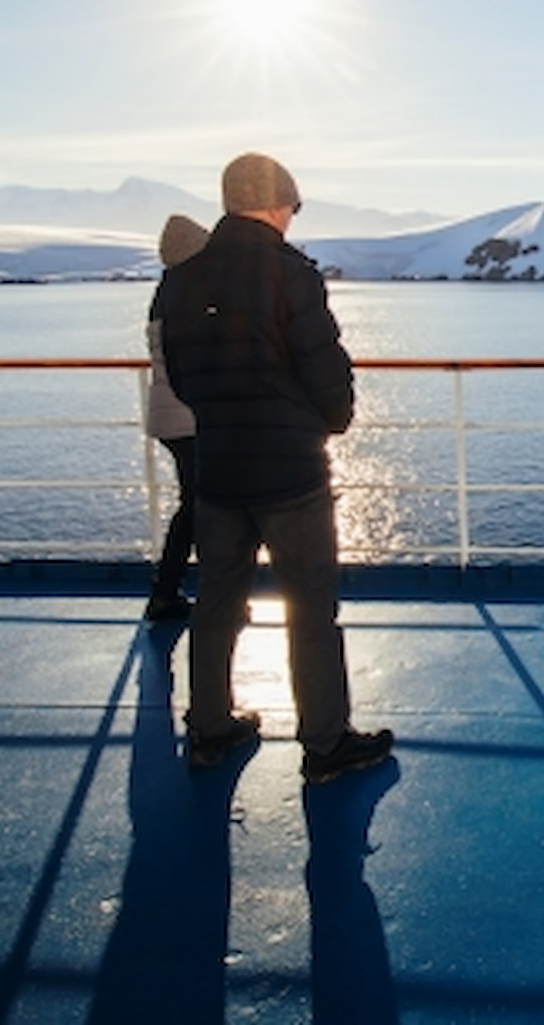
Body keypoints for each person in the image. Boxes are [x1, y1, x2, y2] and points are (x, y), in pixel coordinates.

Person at [151, 152, 393, 784]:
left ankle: (208, 728)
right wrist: (329, 420)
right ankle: (326, 743)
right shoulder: (291, 274)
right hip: (290, 475)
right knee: (310, 607)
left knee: (217, 603)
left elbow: (179, 375)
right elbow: (324, 366)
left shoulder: (182, 278)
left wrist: (222, 417)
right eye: (291, 206)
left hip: (220, 467)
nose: (290, 218)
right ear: (277, 204)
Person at [143, 214, 210, 624]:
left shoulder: (167, 291)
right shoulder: (191, 293)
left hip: (170, 415)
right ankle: (173, 592)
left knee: (196, 506)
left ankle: (169, 590)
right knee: (202, 507)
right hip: (189, 416)